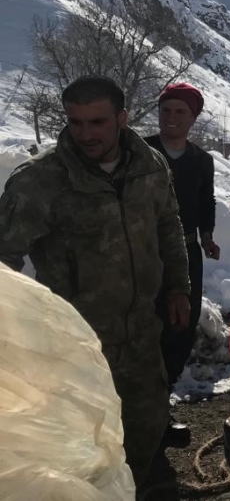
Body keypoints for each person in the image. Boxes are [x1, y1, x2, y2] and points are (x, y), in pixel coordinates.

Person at [0, 76, 191, 488]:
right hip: (74, 347)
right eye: (76, 122)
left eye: (97, 122)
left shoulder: (150, 166)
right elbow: (3, 260)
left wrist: (179, 286)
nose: (85, 134)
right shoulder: (40, 182)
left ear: (122, 119)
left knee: (145, 431)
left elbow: (168, 225)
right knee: (84, 453)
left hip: (141, 336)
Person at [145, 82, 220, 444]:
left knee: (181, 326)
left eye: (180, 112)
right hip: (141, 253)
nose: (171, 118)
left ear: (193, 118)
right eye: (166, 110)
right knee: (142, 326)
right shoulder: (140, 151)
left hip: (187, 255)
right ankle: (130, 413)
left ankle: (160, 412)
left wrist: (207, 237)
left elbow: (206, 202)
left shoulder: (201, 161)